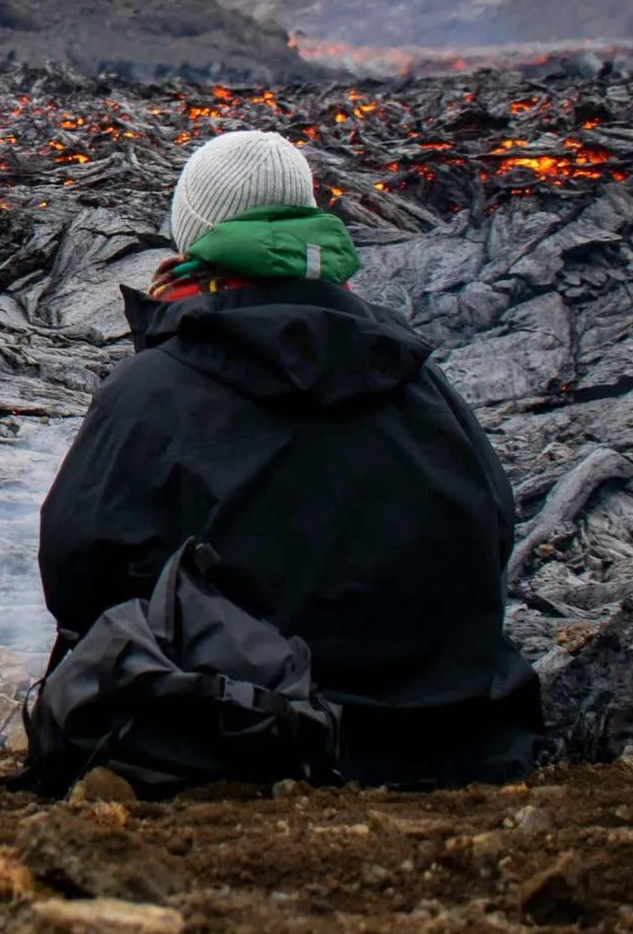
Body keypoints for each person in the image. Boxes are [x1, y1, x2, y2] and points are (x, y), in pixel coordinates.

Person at [38, 128, 545, 787]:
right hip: (450, 737)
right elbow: (493, 527)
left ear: (190, 235)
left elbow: (77, 574)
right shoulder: (417, 375)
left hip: (245, 739)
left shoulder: (150, 392)